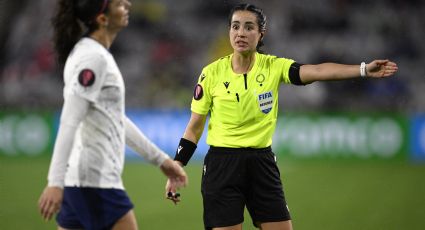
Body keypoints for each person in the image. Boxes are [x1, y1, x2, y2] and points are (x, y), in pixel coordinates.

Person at [166, 3, 398, 230]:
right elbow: (195, 127)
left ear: (261, 33)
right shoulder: (211, 73)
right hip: (221, 165)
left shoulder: (273, 67)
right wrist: (177, 165)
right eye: (235, 27)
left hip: (261, 163)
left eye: (248, 27)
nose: (240, 33)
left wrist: (363, 69)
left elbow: (316, 71)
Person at [38, 0, 188, 229]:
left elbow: (115, 119)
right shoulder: (93, 59)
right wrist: (54, 182)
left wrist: (162, 161)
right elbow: (69, 120)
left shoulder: (91, 54)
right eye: (119, 4)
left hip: (83, 180)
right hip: (96, 182)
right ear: (102, 19)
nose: (127, 4)